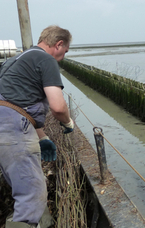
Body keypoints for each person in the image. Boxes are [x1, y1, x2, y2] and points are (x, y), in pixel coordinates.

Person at [0, 25, 74, 228]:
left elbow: (15, 105)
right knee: (31, 193)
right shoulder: (46, 59)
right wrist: (68, 122)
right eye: (65, 52)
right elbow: (58, 107)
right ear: (59, 44)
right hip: (13, 130)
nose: (63, 57)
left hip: (6, 127)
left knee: (21, 187)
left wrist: (42, 137)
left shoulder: (15, 60)